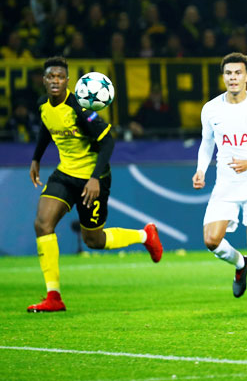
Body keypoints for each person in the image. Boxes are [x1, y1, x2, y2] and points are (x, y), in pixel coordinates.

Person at [28, 56, 163, 313]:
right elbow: (47, 129)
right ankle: (53, 296)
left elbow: (108, 141)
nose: (55, 81)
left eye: (60, 77)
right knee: (42, 224)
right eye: (50, 77)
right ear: (44, 81)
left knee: (94, 240)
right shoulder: (43, 104)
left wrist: (94, 179)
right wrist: (36, 158)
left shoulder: (81, 108)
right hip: (65, 175)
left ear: (67, 81)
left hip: (93, 179)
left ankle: (145, 236)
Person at [192, 52, 247, 310]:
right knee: (211, 241)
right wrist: (201, 170)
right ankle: (240, 265)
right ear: (223, 77)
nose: (233, 77)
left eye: (238, 73)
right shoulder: (211, 109)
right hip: (226, 183)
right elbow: (207, 143)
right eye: (229, 73)